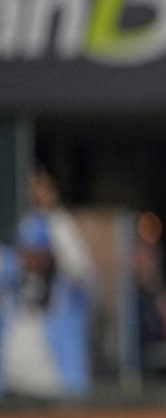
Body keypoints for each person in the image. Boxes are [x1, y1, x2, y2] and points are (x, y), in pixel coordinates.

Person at [0, 168, 96, 398]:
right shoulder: (12, 282)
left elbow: (79, 264)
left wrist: (50, 210)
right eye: (28, 251)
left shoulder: (68, 290)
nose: (33, 258)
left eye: (40, 252)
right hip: (11, 386)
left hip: (56, 389)